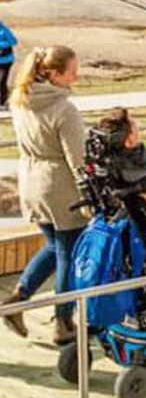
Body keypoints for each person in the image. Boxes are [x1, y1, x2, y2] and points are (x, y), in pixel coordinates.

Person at [1, 46, 86, 344]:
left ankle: (17, 299)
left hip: (32, 184)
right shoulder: (64, 109)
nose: (77, 76)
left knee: (54, 246)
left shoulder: (21, 100)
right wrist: (92, 194)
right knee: (69, 254)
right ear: (52, 74)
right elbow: (78, 159)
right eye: (72, 72)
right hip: (61, 189)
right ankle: (63, 321)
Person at [0, 18, 17, 107]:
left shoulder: (4, 30)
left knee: (2, 81)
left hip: (6, 61)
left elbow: (14, 41)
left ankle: (3, 102)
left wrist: (2, 45)